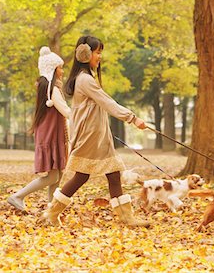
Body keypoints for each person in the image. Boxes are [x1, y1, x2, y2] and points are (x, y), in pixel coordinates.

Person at [41, 36, 150, 227]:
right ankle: (51, 214)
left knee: (113, 174)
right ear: (85, 54)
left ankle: (127, 217)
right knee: (82, 176)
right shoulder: (84, 80)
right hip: (90, 137)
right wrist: (132, 118)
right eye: (97, 52)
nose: (100, 56)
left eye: (100, 52)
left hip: (97, 136)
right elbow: (107, 102)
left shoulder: (86, 78)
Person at [8, 46, 70, 213]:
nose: (62, 72)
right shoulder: (53, 90)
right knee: (52, 176)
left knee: (57, 175)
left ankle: (51, 210)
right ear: (53, 69)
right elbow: (66, 111)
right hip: (50, 135)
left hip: (50, 134)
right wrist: (85, 117)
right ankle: (18, 196)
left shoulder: (47, 89)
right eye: (60, 68)